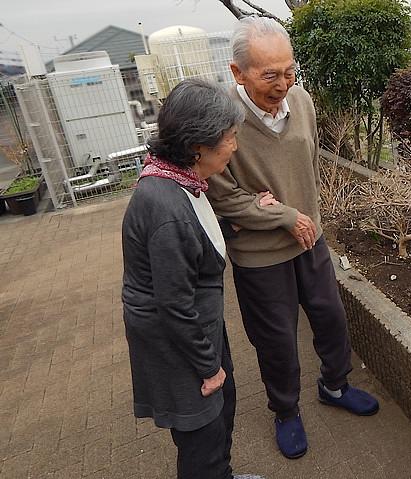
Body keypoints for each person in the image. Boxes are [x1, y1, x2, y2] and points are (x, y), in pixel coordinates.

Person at [206, 17, 379, 460]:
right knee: (277, 340)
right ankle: (285, 412)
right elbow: (223, 195)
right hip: (260, 255)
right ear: (237, 73)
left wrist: (299, 215)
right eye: (269, 75)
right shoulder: (220, 118)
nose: (283, 83)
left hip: (310, 240)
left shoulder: (301, 101)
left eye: (289, 70)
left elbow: (310, 166)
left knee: (332, 319)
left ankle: (335, 387)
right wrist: (283, 215)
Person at [121, 79, 269, 479]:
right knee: (201, 437)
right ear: (196, 147)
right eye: (230, 138)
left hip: (197, 331)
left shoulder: (178, 181)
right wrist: (208, 367)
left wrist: (246, 211)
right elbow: (174, 304)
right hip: (180, 344)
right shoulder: (166, 208)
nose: (235, 147)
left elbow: (196, 236)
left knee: (223, 415)